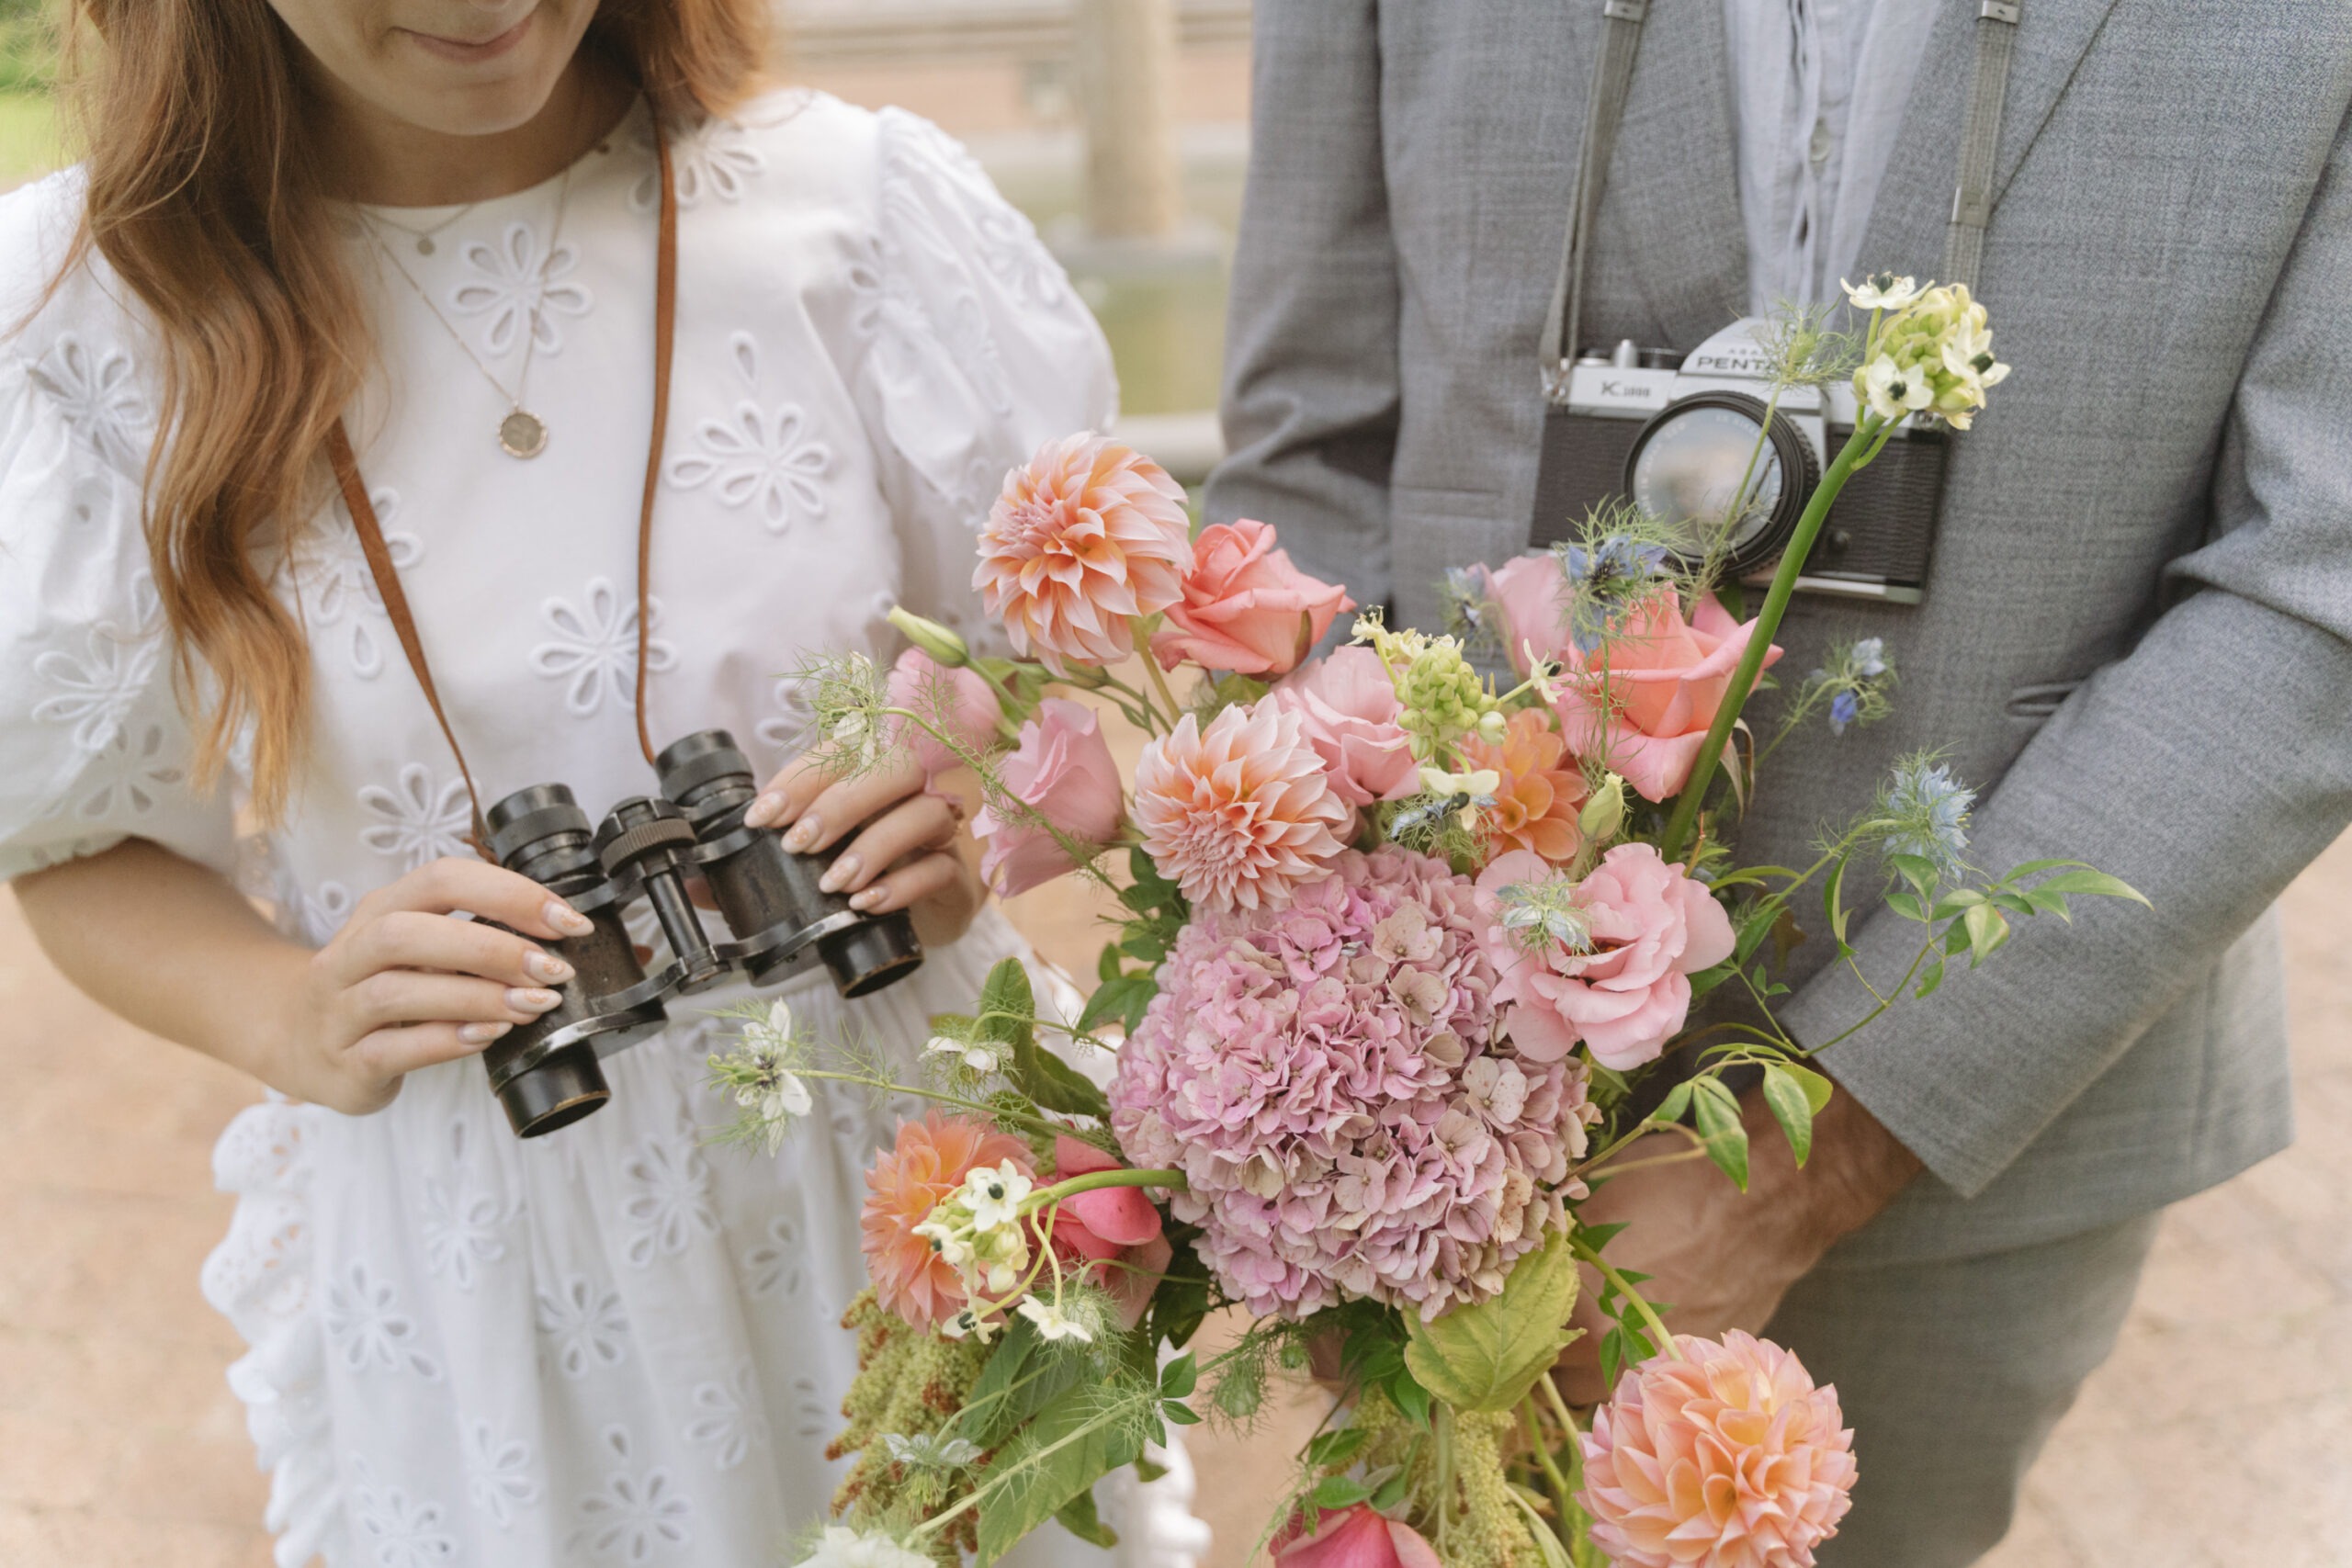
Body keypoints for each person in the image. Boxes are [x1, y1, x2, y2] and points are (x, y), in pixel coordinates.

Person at [0, 4, 1201, 1564]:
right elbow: (71, 841)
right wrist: (291, 1014)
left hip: (910, 1171)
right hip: (495, 1234)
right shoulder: (87, 317)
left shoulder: (853, 210)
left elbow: (1062, 672)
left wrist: (970, 797)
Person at [1210, 1, 2350, 1562]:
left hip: (1990, 1103)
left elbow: (2323, 582)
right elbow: (1309, 458)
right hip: (1438, 1113)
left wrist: (1821, 1155)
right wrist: (1343, 1039)